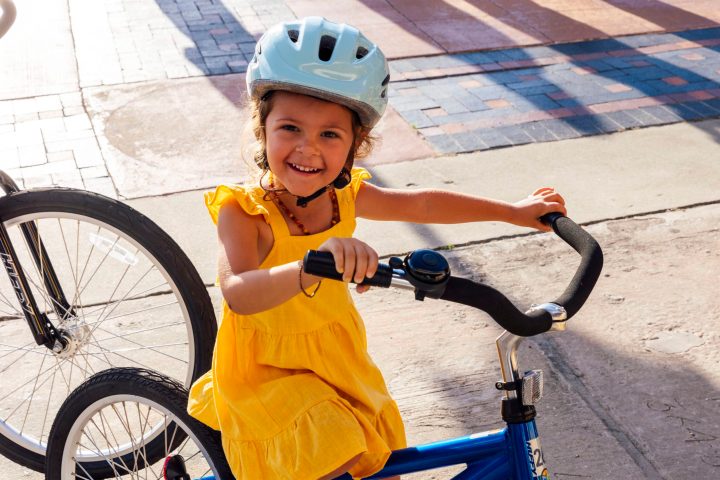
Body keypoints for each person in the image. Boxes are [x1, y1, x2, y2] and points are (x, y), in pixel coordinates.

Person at [187, 16, 567, 480]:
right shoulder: (245, 212)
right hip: (267, 374)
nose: (308, 149)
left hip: (336, 360)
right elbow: (239, 292)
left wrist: (512, 211)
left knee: (378, 461)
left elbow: (423, 202)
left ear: (353, 147)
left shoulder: (340, 196)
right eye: (290, 128)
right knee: (335, 451)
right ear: (262, 127)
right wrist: (310, 267)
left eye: (330, 134)